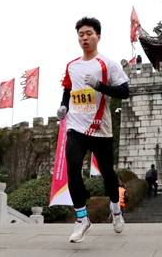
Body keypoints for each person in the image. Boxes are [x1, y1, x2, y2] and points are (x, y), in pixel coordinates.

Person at [56, 17, 130, 243]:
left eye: (89, 33)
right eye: (81, 34)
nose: (84, 38)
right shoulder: (72, 66)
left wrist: (99, 86)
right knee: (73, 168)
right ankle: (82, 220)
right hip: (76, 126)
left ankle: (115, 209)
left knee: (108, 174)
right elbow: (68, 90)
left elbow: (124, 92)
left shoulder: (108, 64)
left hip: (100, 128)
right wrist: (63, 106)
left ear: (98, 36)